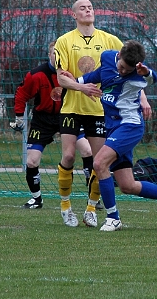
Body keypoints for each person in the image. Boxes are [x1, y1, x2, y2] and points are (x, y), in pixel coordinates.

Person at [67, 40, 157, 230]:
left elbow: (152, 78)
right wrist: (77, 81)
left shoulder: (138, 75)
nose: (124, 72)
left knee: (99, 163)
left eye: (128, 69)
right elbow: (99, 74)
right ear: (119, 56)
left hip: (130, 126)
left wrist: (146, 72)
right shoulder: (107, 57)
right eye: (122, 67)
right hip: (114, 127)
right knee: (127, 185)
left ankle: (113, 218)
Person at [54, 0, 151, 228]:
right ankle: (66, 205)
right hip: (71, 107)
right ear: (73, 14)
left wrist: (143, 99)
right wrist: (82, 87)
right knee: (68, 156)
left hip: (99, 110)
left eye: (90, 7)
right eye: (82, 8)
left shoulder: (110, 40)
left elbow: (134, 71)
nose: (87, 10)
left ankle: (91, 208)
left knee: (100, 162)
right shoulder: (64, 41)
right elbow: (61, 79)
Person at [10, 41, 94, 209]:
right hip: (43, 121)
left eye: (60, 54)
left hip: (69, 115)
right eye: (54, 53)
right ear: (49, 55)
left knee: (87, 151)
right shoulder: (36, 75)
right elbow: (21, 94)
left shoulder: (71, 73)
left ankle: (93, 198)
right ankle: (36, 199)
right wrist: (19, 117)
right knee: (32, 161)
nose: (57, 57)